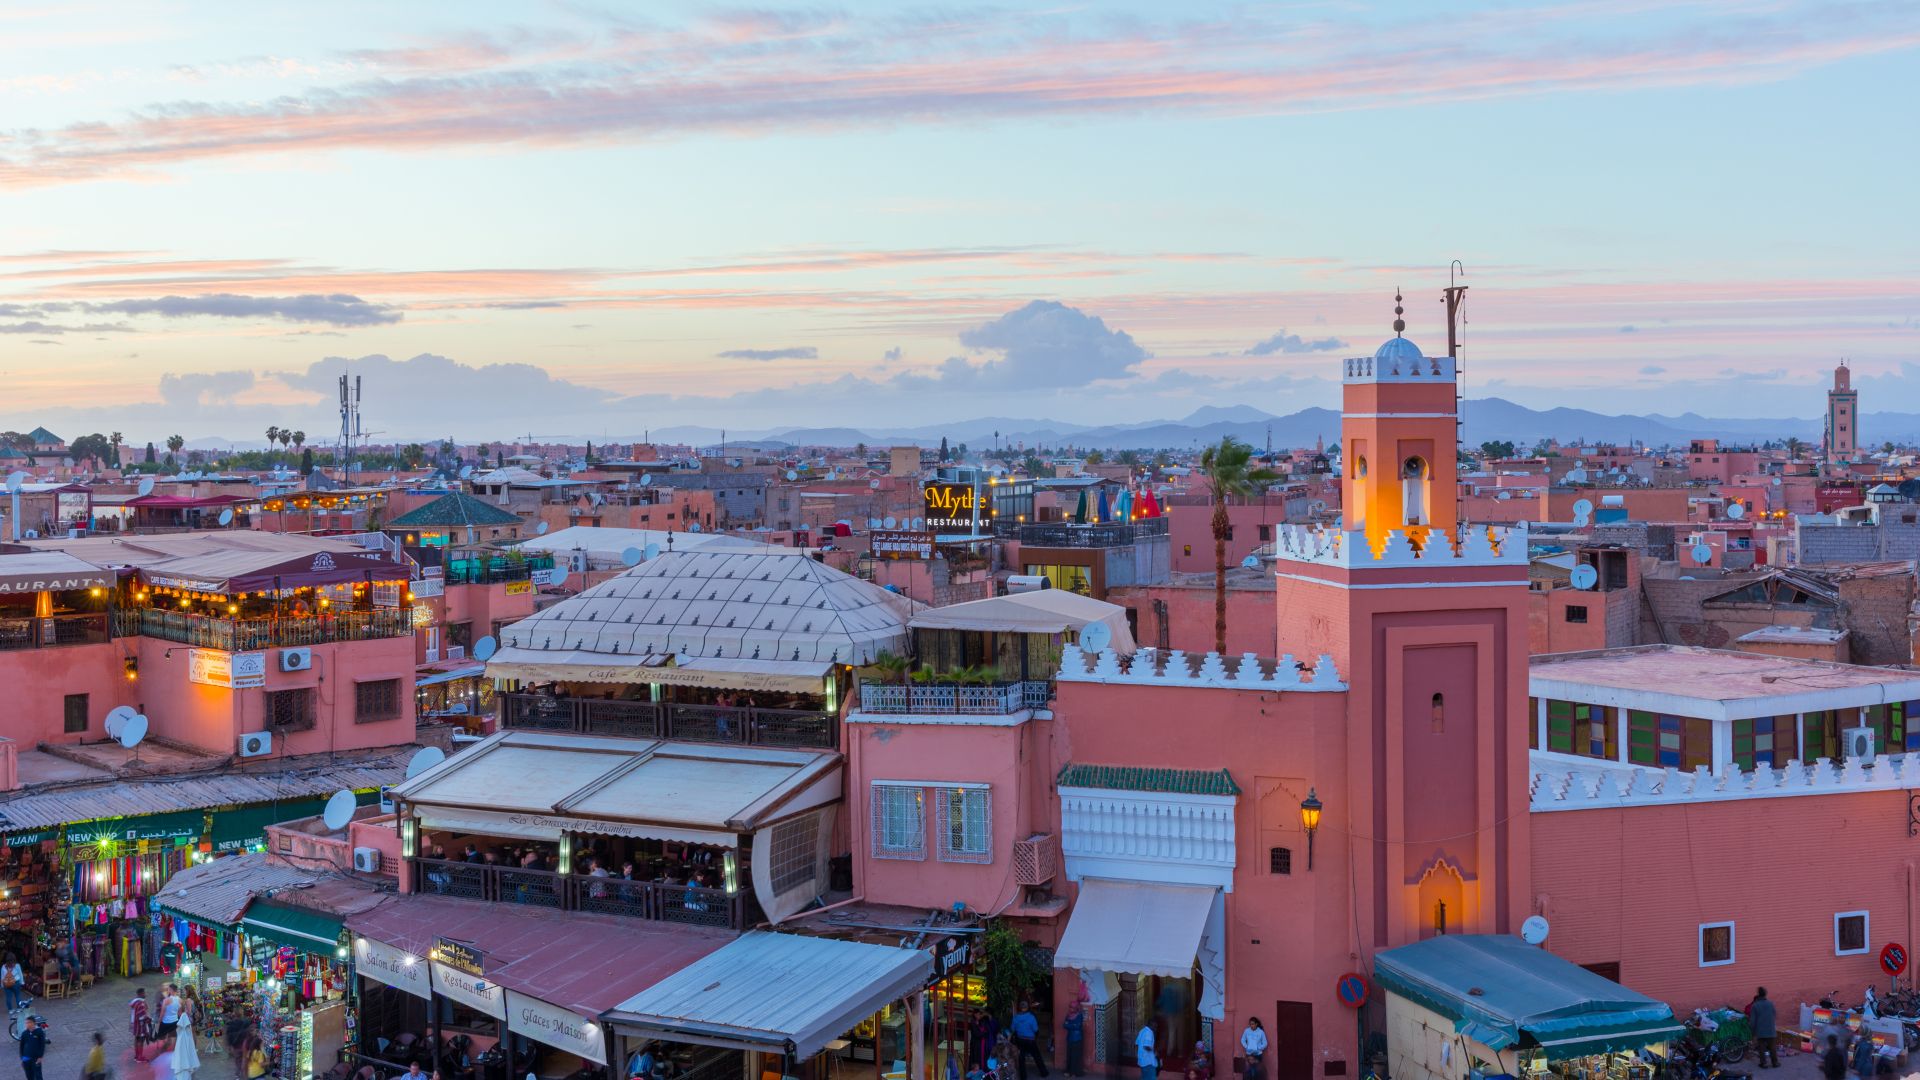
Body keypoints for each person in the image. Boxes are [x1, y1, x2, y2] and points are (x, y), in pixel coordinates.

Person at [1009, 1002, 1048, 1080]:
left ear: (1020, 1008)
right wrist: (1035, 1037)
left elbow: (1012, 1029)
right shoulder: (1031, 1017)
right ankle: (1044, 1073)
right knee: (1037, 1056)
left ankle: (1023, 1077)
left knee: (1021, 1057)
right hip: (1030, 1040)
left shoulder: (1016, 1018)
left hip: (1020, 1040)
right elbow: (1036, 1029)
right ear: (1027, 1008)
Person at [1748, 987, 1778, 1069]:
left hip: (1760, 1031)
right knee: (1772, 1047)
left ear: (1758, 994)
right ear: (1765, 994)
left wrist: (1752, 1032)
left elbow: (1752, 1021)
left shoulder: (1755, 1005)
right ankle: (1775, 1062)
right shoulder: (1770, 1003)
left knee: (1762, 1048)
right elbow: (1774, 1014)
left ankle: (1763, 1063)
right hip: (1771, 1029)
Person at [17, 1015, 47, 1080]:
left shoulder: (39, 1032)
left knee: (38, 1075)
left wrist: (40, 1056)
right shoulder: (24, 1033)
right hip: (26, 1058)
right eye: (26, 1023)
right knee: (29, 1075)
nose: (27, 1024)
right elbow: (21, 1046)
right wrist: (22, 1057)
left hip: (35, 1058)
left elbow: (42, 1045)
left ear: (34, 1023)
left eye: (29, 1022)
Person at [131, 988, 154, 1063]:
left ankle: (136, 1056)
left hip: (135, 1025)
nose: (145, 994)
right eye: (144, 993)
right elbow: (142, 1017)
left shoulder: (136, 1002)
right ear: (140, 994)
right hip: (140, 1026)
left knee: (137, 1039)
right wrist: (149, 1020)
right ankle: (139, 1057)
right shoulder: (141, 1004)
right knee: (141, 1040)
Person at [1062, 1002, 1085, 1078]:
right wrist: (1072, 1025)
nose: (1070, 1009)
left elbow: (1078, 1026)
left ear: (1076, 1008)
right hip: (1070, 1038)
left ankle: (1074, 1073)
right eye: (1070, 1007)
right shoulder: (1068, 1015)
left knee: (1075, 1056)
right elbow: (1064, 1025)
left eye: (1072, 1007)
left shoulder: (1079, 1015)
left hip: (1077, 1039)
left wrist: (1069, 1025)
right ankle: (1069, 1071)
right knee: (1069, 1056)